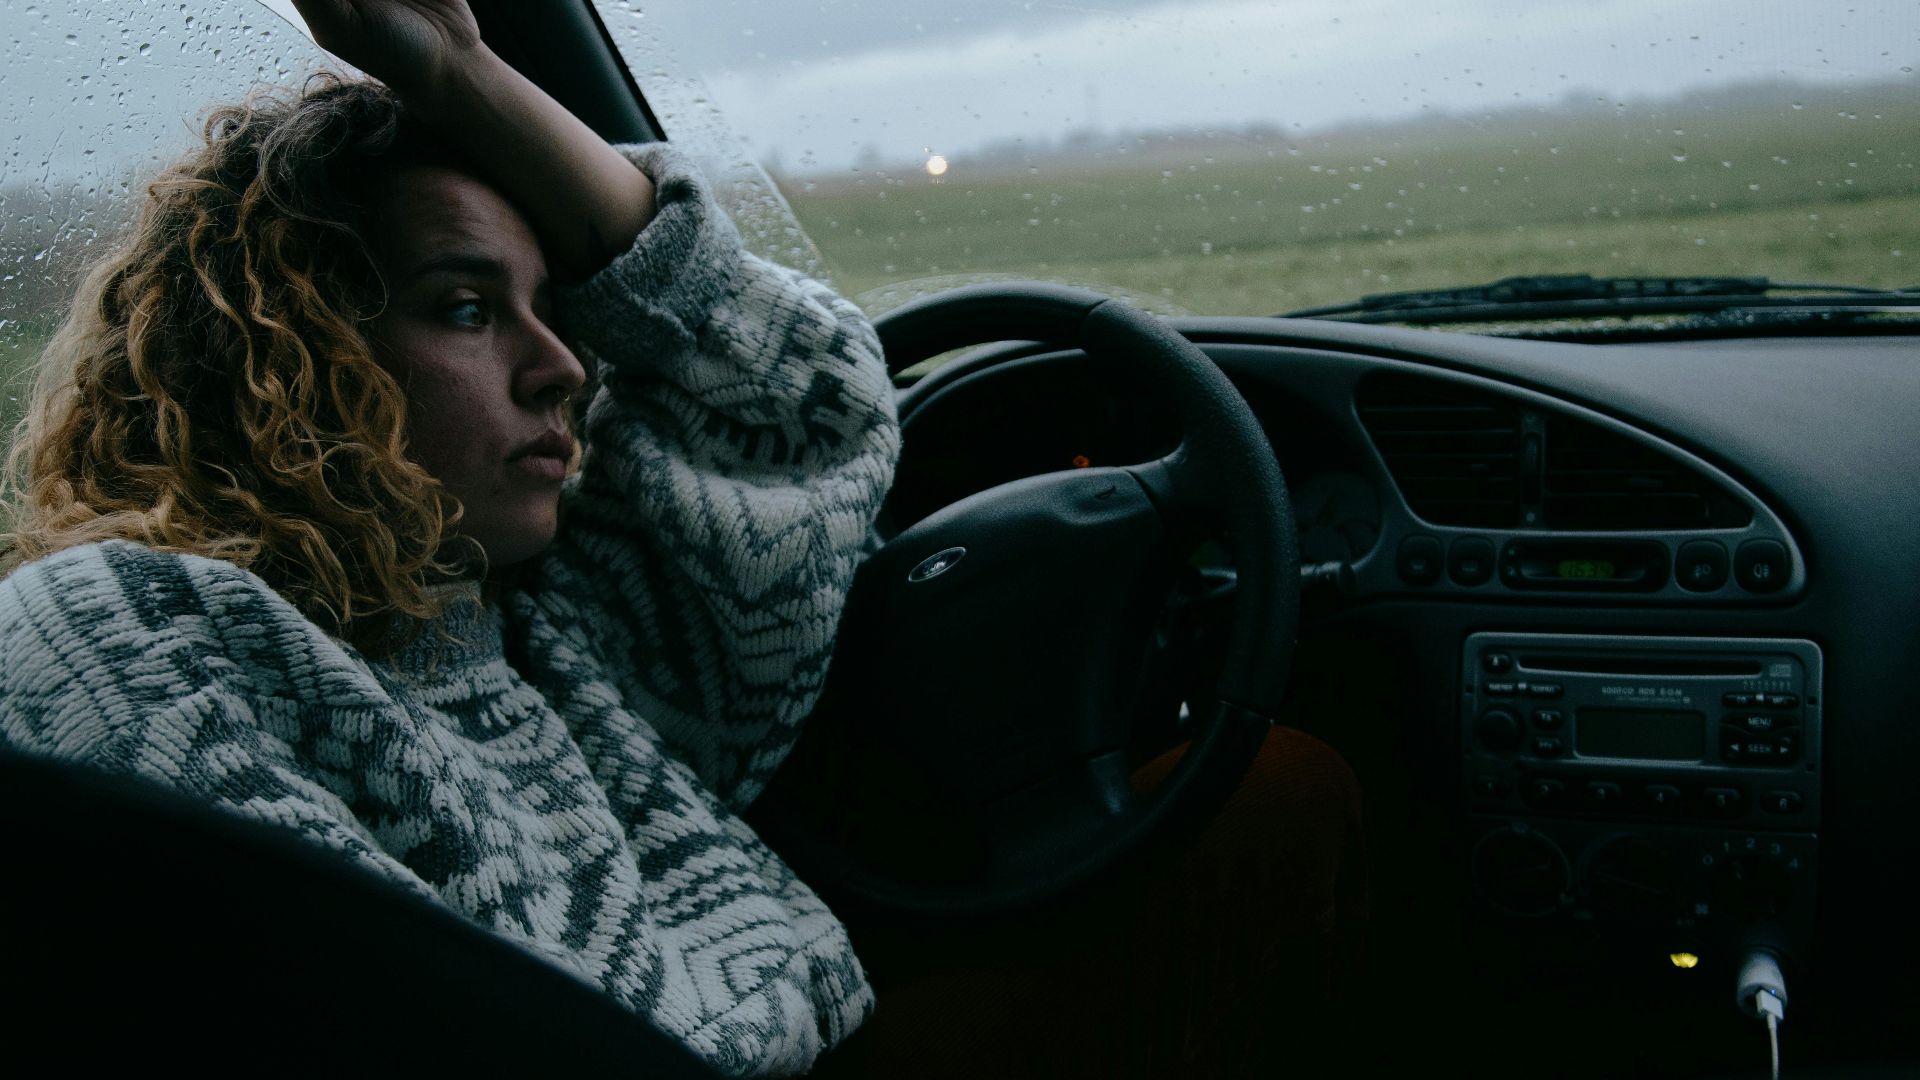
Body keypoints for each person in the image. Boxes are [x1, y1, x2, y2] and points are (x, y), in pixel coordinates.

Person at [0, 2, 1365, 1075]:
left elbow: (808, 400)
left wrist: (468, 71)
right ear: (284, 359)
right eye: (469, 308)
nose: (565, 372)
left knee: (1282, 793)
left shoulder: (526, 614)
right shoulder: (127, 632)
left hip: (841, 1035)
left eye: (556, 311)